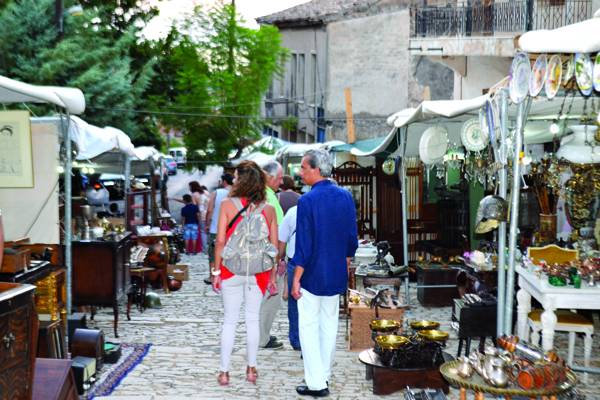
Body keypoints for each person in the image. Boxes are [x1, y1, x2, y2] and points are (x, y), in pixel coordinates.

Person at [291, 149, 358, 397]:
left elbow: (304, 245)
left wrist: (296, 277)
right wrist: (345, 259)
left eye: (303, 168)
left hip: (311, 273)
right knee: (329, 325)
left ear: (315, 170)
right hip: (336, 270)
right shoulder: (345, 197)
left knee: (308, 327)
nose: (300, 172)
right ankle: (323, 376)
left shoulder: (306, 201)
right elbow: (352, 238)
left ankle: (316, 383)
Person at [212, 160, 279, 386]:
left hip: (231, 269)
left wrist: (216, 271)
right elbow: (274, 248)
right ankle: (251, 369)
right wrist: (271, 278)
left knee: (229, 321)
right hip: (258, 272)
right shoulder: (268, 209)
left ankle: (224, 372)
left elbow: (220, 241)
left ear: (240, 180)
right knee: (252, 320)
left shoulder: (227, 204)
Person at [259, 160, 284, 350]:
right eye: (279, 178)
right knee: (271, 298)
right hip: (268, 254)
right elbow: (278, 231)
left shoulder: (262, 194)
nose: (281, 182)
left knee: (266, 297)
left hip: (261, 254)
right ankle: (262, 337)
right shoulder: (268, 197)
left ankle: (262, 334)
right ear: (269, 177)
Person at [205, 173, 234, 285]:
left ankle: (213, 276)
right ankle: (227, 274)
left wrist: (207, 223)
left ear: (224, 181)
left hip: (215, 228)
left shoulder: (216, 193)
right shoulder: (235, 194)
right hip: (230, 230)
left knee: (213, 254)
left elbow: (209, 210)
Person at [278, 205, 300, 350]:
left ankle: (296, 339)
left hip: (295, 260)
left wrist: (280, 258)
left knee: (294, 302)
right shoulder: (326, 209)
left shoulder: (293, 211)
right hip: (316, 262)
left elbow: (282, 239)